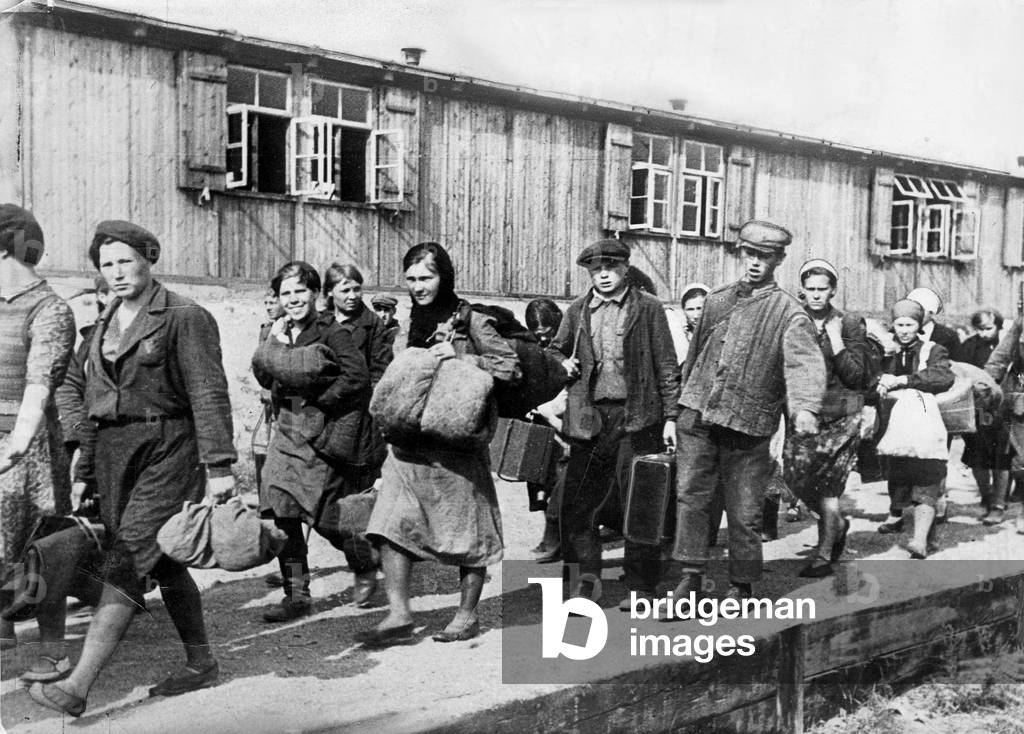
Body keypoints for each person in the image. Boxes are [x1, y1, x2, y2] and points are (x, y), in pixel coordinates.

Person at [28, 221, 236, 716]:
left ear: (149, 257)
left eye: (125, 260)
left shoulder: (185, 315)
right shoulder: (103, 324)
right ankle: (201, 661)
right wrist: (85, 462)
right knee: (162, 559)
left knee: (125, 559)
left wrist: (221, 465)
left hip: (168, 448)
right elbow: (82, 391)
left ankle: (77, 686)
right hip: (116, 455)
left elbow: (208, 392)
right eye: (106, 264)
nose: (116, 272)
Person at [357, 242, 520, 646]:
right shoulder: (407, 321)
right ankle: (399, 615)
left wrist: (463, 359)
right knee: (390, 524)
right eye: (411, 279)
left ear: (443, 276)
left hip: (457, 446)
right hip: (410, 444)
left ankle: (466, 616)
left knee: (468, 531)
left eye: (426, 278)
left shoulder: (474, 322)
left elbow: (510, 368)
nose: (418, 286)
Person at [670, 220, 825, 603]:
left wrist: (804, 409)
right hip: (698, 417)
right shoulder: (717, 300)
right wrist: (676, 413)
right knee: (691, 499)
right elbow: (692, 360)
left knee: (744, 510)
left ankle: (741, 584)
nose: (755, 263)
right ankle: (689, 578)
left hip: (747, 422)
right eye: (750, 254)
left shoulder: (789, 313)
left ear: (778, 260)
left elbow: (804, 366)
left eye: (765, 257)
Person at [547, 238, 680, 611]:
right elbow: (555, 350)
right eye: (596, 270)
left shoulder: (648, 309)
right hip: (589, 418)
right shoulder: (578, 310)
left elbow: (667, 365)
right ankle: (580, 591)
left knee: (640, 503)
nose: (603, 276)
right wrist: (562, 364)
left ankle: (641, 588)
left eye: (610, 269)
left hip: (637, 417)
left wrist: (670, 418)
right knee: (577, 505)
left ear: (625, 269)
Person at [253, 261, 372, 621]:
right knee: (280, 512)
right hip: (285, 429)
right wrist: (273, 344)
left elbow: (358, 376)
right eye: (286, 292)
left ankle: (363, 559)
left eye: (300, 291)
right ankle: (297, 594)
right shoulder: (276, 330)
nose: (293, 299)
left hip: (318, 433)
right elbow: (261, 371)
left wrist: (321, 402)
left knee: (322, 517)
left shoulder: (330, 331)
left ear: (316, 294)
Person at [0, 204, 76, 652]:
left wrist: (14, 447)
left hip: (25, 447)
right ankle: (4, 627)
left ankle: (52, 648)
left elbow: (39, 387)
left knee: (39, 553)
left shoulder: (50, 309)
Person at [783, 260, 877, 577]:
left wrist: (836, 341)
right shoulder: (794, 320)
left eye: (822, 289)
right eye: (810, 290)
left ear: (833, 290)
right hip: (805, 414)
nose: (816, 296)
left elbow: (857, 376)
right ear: (802, 290)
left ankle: (823, 554)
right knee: (794, 475)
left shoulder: (849, 323)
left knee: (829, 485)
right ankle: (836, 523)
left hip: (841, 415)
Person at [874, 299, 955, 558]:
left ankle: (920, 540)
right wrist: (880, 380)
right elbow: (869, 377)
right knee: (897, 477)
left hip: (925, 426)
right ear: (893, 325)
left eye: (910, 324)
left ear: (919, 325)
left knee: (927, 480)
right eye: (899, 324)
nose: (905, 330)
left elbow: (942, 377)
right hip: (894, 428)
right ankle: (897, 514)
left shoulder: (933, 349)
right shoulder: (886, 351)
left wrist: (904, 380)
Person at [955, 308, 1010, 525]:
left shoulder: (1008, 346)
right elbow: (960, 372)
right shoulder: (968, 346)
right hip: (977, 408)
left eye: (989, 328)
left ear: (998, 326)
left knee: (1001, 457)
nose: (985, 333)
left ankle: (998, 503)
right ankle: (986, 496)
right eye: (981, 329)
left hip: (1004, 409)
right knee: (976, 456)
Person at [523, 298, 567, 563]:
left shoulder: (567, 346)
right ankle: (551, 534)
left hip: (561, 421)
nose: (542, 337)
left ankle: (557, 537)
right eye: (536, 332)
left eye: (547, 332)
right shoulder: (531, 349)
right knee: (540, 482)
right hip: (539, 424)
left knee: (562, 480)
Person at [983, 313, 1024, 535]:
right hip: (1018, 391)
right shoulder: (1022, 321)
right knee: (1006, 450)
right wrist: (987, 383)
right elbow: (1001, 355)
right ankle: (998, 504)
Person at [253, 288, 284, 493]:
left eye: (272, 302)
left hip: (291, 398)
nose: (268, 307)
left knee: (288, 443)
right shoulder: (266, 329)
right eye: (266, 303)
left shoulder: (293, 327)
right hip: (270, 398)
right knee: (264, 445)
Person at [905, 287, 960, 357]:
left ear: (932, 313)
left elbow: (957, 365)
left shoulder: (949, 336)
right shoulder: (900, 332)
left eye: (921, 310)